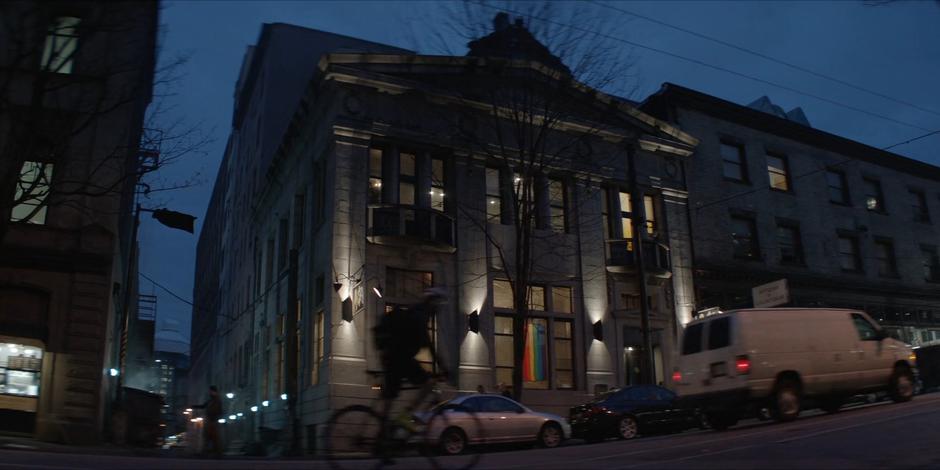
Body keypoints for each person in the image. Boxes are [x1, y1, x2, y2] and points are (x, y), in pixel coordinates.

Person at [373, 287, 450, 429]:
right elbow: (428, 344)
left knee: (390, 396)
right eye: (439, 304)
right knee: (428, 384)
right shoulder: (421, 313)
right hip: (400, 357)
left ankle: (383, 436)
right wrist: (444, 367)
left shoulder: (415, 310)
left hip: (390, 356)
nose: (439, 309)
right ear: (433, 302)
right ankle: (405, 418)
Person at [191, 385, 224, 458]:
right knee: (209, 437)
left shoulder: (217, 400)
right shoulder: (211, 400)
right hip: (210, 421)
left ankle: (216, 453)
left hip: (212, 421)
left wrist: (213, 418)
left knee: (212, 437)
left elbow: (218, 410)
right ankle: (211, 453)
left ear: (214, 391)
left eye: (211, 391)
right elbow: (203, 406)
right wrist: (194, 406)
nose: (209, 393)